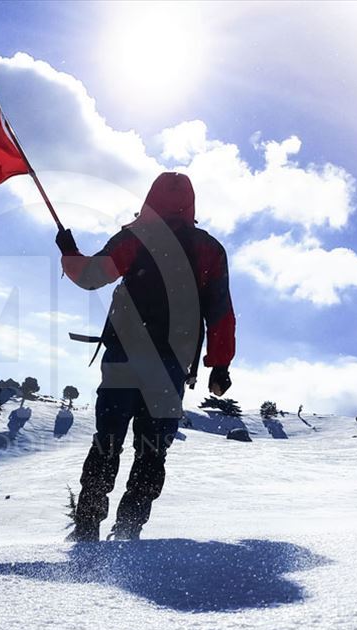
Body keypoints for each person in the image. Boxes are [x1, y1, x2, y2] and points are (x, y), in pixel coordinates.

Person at [56, 172, 236, 541]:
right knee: (152, 448)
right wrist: (219, 365)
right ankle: (128, 531)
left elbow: (92, 276)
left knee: (108, 438)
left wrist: (69, 252)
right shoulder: (210, 249)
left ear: (151, 199)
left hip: (124, 354)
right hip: (170, 363)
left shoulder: (136, 237)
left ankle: (88, 526)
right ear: (191, 204)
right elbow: (220, 311)